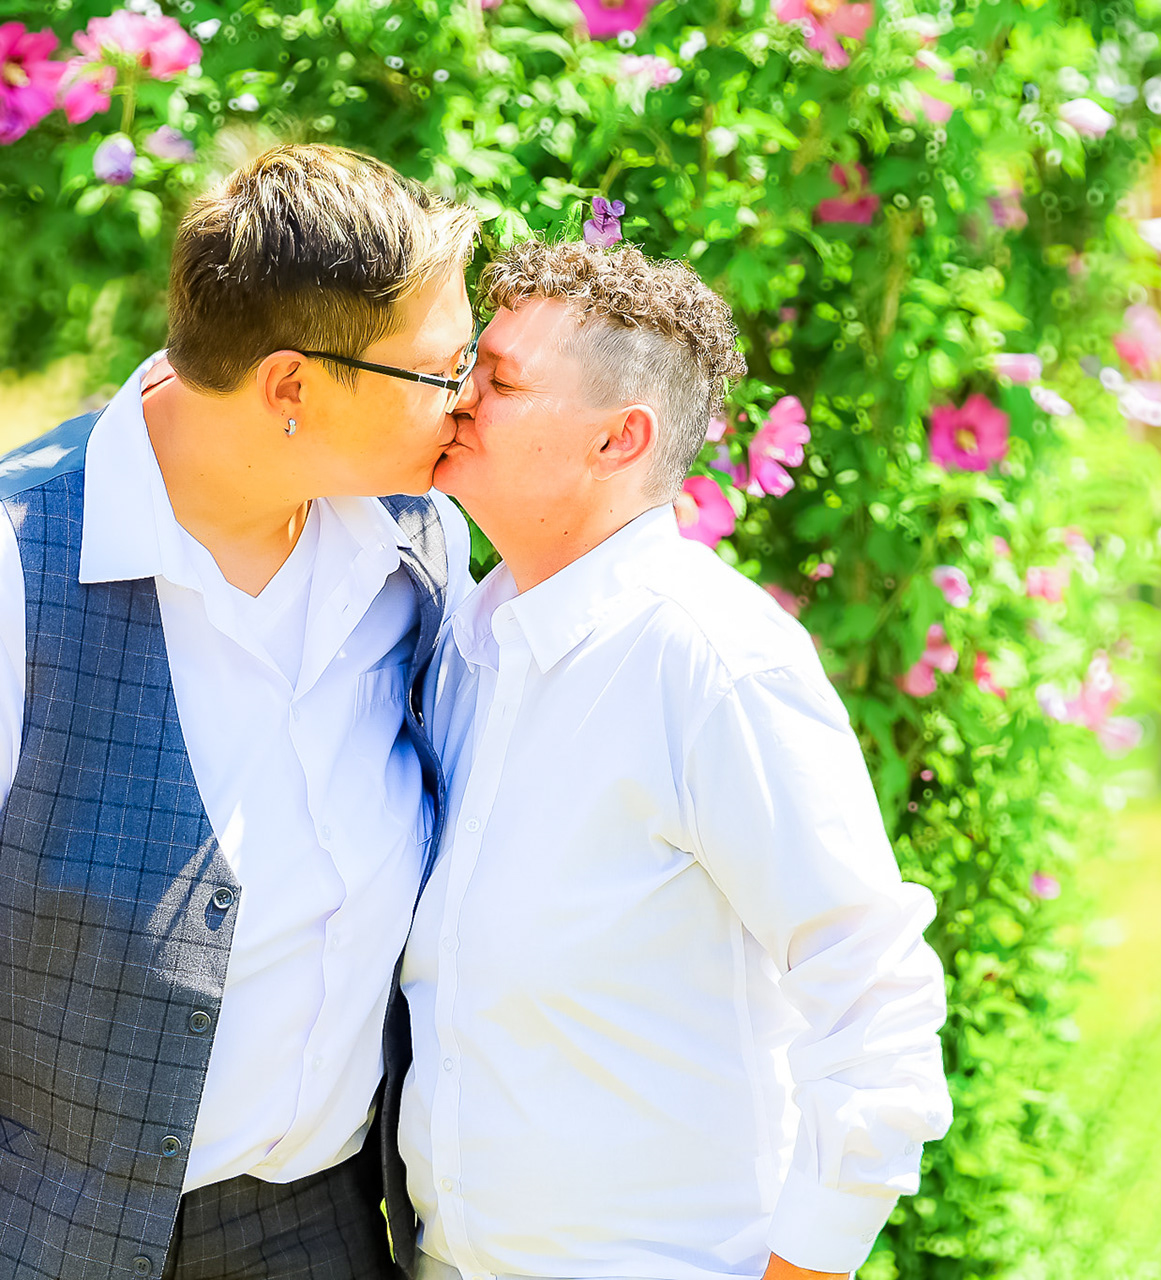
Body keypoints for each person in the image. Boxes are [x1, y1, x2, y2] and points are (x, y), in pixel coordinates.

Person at [0, 144, 480, 1280]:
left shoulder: (414, 543)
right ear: (290, 387)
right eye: (440, 371)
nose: (467, 397)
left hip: (324, 1231)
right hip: (31, 1241)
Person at [402, 241, 954, 1280]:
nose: (459, 396)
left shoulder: (716, 663)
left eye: (502, 382)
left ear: (620, 438)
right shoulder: (467, 646)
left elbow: (874, 997)